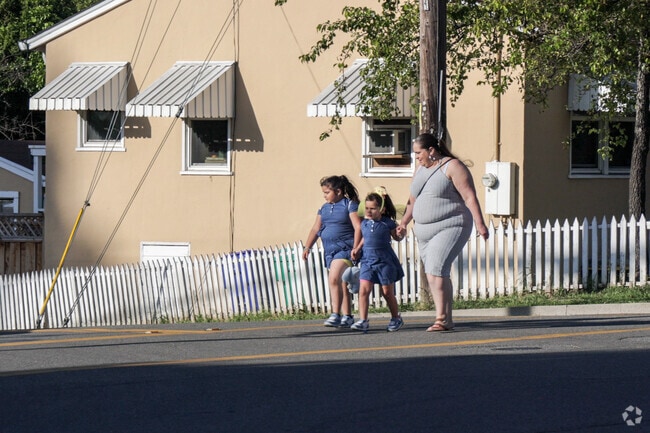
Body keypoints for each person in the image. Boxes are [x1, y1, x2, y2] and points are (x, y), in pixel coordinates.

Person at [397, 133, 489, 332]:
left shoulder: (453, 166)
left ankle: (442, 319)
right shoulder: (420, 169)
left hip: (451, 225)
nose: (416, 157)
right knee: (433, 274)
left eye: (418, 152)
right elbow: (412, 200)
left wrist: (480, 224)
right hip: (423, 231)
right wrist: (404, 223)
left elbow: (469, 197)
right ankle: (446, 318)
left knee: (436, 270)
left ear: (431, 150)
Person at [303, 175, 362, 327]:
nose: (324, 196)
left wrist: (356, 247)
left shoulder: (349, 205)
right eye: (323, 193)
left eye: (327, 192)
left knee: (333, 278)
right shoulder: (323, 208)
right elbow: (316, 228)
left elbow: (358, 227)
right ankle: (347, 316)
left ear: (338, 191)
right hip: (330, 251)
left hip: (345, 249)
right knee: (341, 283)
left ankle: (335, 314)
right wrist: (307, 247)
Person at [350, 188, 405, 332]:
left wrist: (401, 233)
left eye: (373, 209)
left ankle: (396, 318)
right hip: (367, 261)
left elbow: (397, 238)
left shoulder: (388, 223)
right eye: (367, 208)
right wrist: (357, 248)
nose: (369, 211)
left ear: (382, 209)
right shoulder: (364, 224)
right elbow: (365, 238)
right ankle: (363, 320)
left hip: (384, 262)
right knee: (364, 290)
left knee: (386, 292)